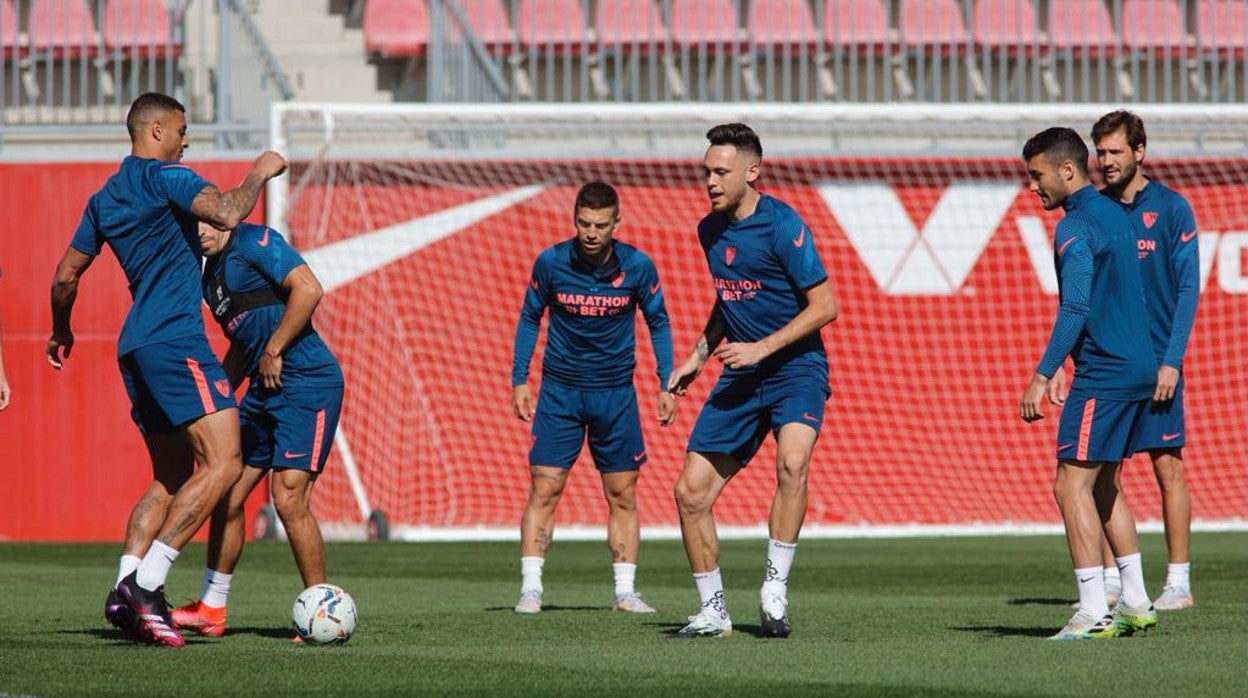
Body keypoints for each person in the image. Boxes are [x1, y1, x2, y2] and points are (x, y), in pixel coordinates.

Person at [47, 92, 287, 647]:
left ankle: (122, 587)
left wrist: (61, 329)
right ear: (156, 131)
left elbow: (65, 276)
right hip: (176, 338)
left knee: (171, 477)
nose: (188, 139)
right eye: (183, 129)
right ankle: (148, 586)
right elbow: (228, 211)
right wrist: (259, 171)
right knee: (226, 462)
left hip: (135, 346)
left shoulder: (104, 197)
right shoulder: (168, 177)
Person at [668, 123, 838, 639]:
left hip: (795, 369)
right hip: (741, 373)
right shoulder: (709, 230)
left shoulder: (783, 225)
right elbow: (731, 295)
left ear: (752, 171)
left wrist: (763, 347)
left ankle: (774, 588)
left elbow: (826, 305)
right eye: (706, 172)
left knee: (792, 462)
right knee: (689, 492)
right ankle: (713, 611)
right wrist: (698, 354)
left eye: (720, 172)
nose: (711, 182)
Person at [1018, 127, 1158, 641]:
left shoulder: (1075, 227)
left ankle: (1094, 609)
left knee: (1068, 483)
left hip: (1107, 372)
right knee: (1103, 483)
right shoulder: (1112, 215)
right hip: (1137, 365)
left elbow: (1075, 306)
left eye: (1037, 175)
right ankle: (1137, 600)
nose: (1032, 187)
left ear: (1068, 171)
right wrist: (1064, 365)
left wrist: (1041, 373)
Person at [171, 221, 344, 638]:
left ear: (225, 214)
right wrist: (217, 399)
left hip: (309, 382)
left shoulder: (255, 241)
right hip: (262, 389)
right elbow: (241, 344)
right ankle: (212, 608)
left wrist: (274, 348)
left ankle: (323, 612)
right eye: (193, 226)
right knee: (225, 489)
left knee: (287, 497)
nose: (202, 232)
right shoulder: (208, 278)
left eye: (208, 221)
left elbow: (309, 289)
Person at [511, 182, 675, 615]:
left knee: (622, 493)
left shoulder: (638, 267)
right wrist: (519, 379)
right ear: (574, 220)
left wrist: (665, 383)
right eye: (584, 223)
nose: (591, 232)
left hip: (615, 396)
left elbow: (658, 322)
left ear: (616, 224)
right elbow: (530, 317)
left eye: (601, 225)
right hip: (559, 394)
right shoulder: (550, 263)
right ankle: (531, 590)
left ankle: (625, 593)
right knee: (545, 487)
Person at [1091, 110, 1199, 611]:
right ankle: (1114, 577)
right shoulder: (1093, 213)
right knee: (1101, 471)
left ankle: (1178, 581)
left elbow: (1187, 289)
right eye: (1100, 152)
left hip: (1158, 365)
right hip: (1110, 365)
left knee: (1167, 467)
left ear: (1140, 152)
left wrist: (1172, 360)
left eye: (1114, 152)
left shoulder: (1173, 209)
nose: (1105, 161)